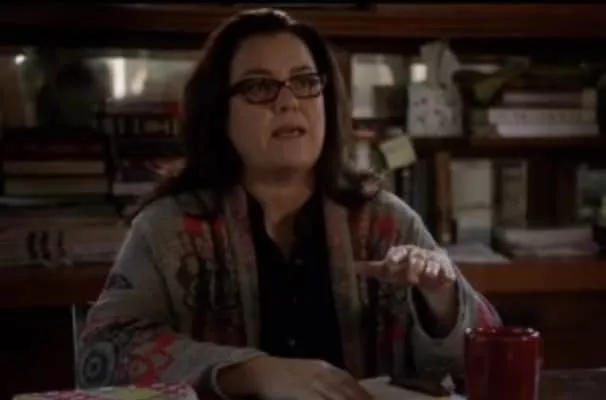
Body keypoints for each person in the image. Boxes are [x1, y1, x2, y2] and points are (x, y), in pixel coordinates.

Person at [76, 8, 501, 400]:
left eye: (305, 82)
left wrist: (441, 299)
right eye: (260, 86)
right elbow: (102, 355)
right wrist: (248, 372)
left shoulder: (385, 221)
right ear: (219, 112)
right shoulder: (168, 228)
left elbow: (493, 352)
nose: (288, 101)